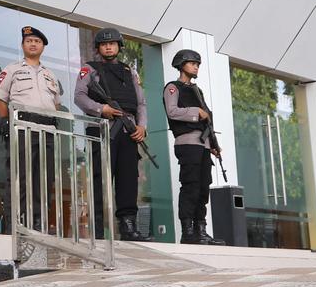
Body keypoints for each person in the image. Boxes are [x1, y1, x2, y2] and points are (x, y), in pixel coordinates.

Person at [74, 28, 154, 242]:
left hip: (128, 130)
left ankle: (128, 225)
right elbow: (79, 97)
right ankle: (97, 227)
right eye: (104, 44)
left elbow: (141, 103)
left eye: (112, 44)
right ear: (98, 48)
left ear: (119, 46)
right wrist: (102, 110)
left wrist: (142, 126)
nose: (108, 47)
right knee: (100, 179)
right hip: (102, 129)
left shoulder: (130, 71)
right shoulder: (89, 69)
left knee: (128, 179)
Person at [0, 26, 61, 233]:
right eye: (29, 41)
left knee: (43, 177)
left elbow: (56, 104)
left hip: (47, 128)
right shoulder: (12, 69)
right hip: (22, 126)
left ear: (43, 47)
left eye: (37, 41)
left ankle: (38, 220)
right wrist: (5, 119)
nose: (33, 44)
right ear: (23, 45)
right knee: (19, 176)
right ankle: (16, 221)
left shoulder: (50, 75)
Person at [166, 49, 225, 246]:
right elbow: (172, 112)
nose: (196, 66)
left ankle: (201, 229)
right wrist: (195, 112)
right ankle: (187, 231)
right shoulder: (173, 88)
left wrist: (214, 146)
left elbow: (208, 120)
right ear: (181, 65)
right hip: (187, 142)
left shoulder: (197, 91)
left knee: (203, 187)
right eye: (192, 63)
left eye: (197, 64)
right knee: (190, 185)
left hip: (204, 145)